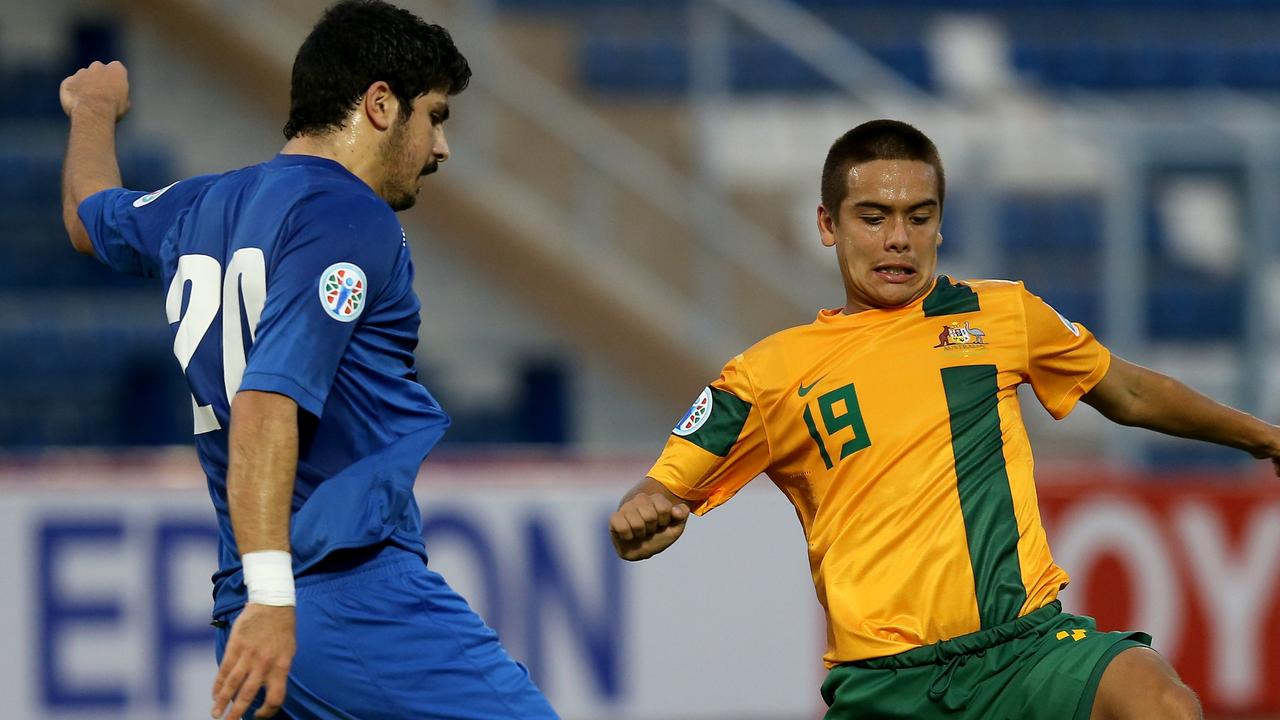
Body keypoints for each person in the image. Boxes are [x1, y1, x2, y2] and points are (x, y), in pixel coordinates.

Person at [610, 119, 1280, 720]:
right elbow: (661, 491)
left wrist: (1263, 437)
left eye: (917, 216)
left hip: (1024, 651)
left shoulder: (1003, 316)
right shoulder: (767, 374)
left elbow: (1128, 391)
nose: (898, 239)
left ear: (939, 224)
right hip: (886, 687)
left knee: (1160, 702)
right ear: (827, 224)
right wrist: (642, 513)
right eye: (872, 217)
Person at [59, 2, 559, 718]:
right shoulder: (347, 216)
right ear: (381, 105)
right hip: (341, 595)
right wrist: (273, 595)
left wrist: (93, 108)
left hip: (256, 605)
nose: (441, 147)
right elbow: (268, 403)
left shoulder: (200, 206)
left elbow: (89, 216)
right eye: (436, 116)